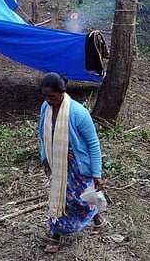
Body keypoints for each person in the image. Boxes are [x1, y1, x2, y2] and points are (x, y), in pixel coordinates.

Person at [38, 72, 106, 254]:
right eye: (45, 96)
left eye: (51, 96)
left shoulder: (78, 113)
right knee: (59, 198)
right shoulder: (46, 108)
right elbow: (43, 136)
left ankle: (97, 218)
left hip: (78, 165)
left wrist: (97, 173)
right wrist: (45, 158)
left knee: (81, 199)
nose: (48, 100)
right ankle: (56, 234)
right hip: (57, 162)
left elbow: (93, 143)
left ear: (63, 92)